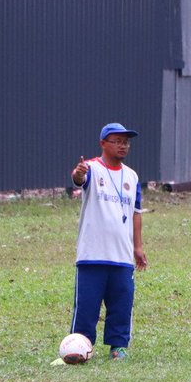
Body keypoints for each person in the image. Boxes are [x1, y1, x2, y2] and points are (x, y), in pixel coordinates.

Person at [68, 123, 148, 360]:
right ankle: (79, 345)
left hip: (122, 254)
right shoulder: (92, 168)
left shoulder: (131, 176)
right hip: (92, 253)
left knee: (122, 302)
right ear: (103, 143)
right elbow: (78, 178)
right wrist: (78, 174)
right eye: (117, 141)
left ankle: (118, 346)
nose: (123, 145)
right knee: (86, 305)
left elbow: (135, 213)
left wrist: (138, 246)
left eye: (126, 142)